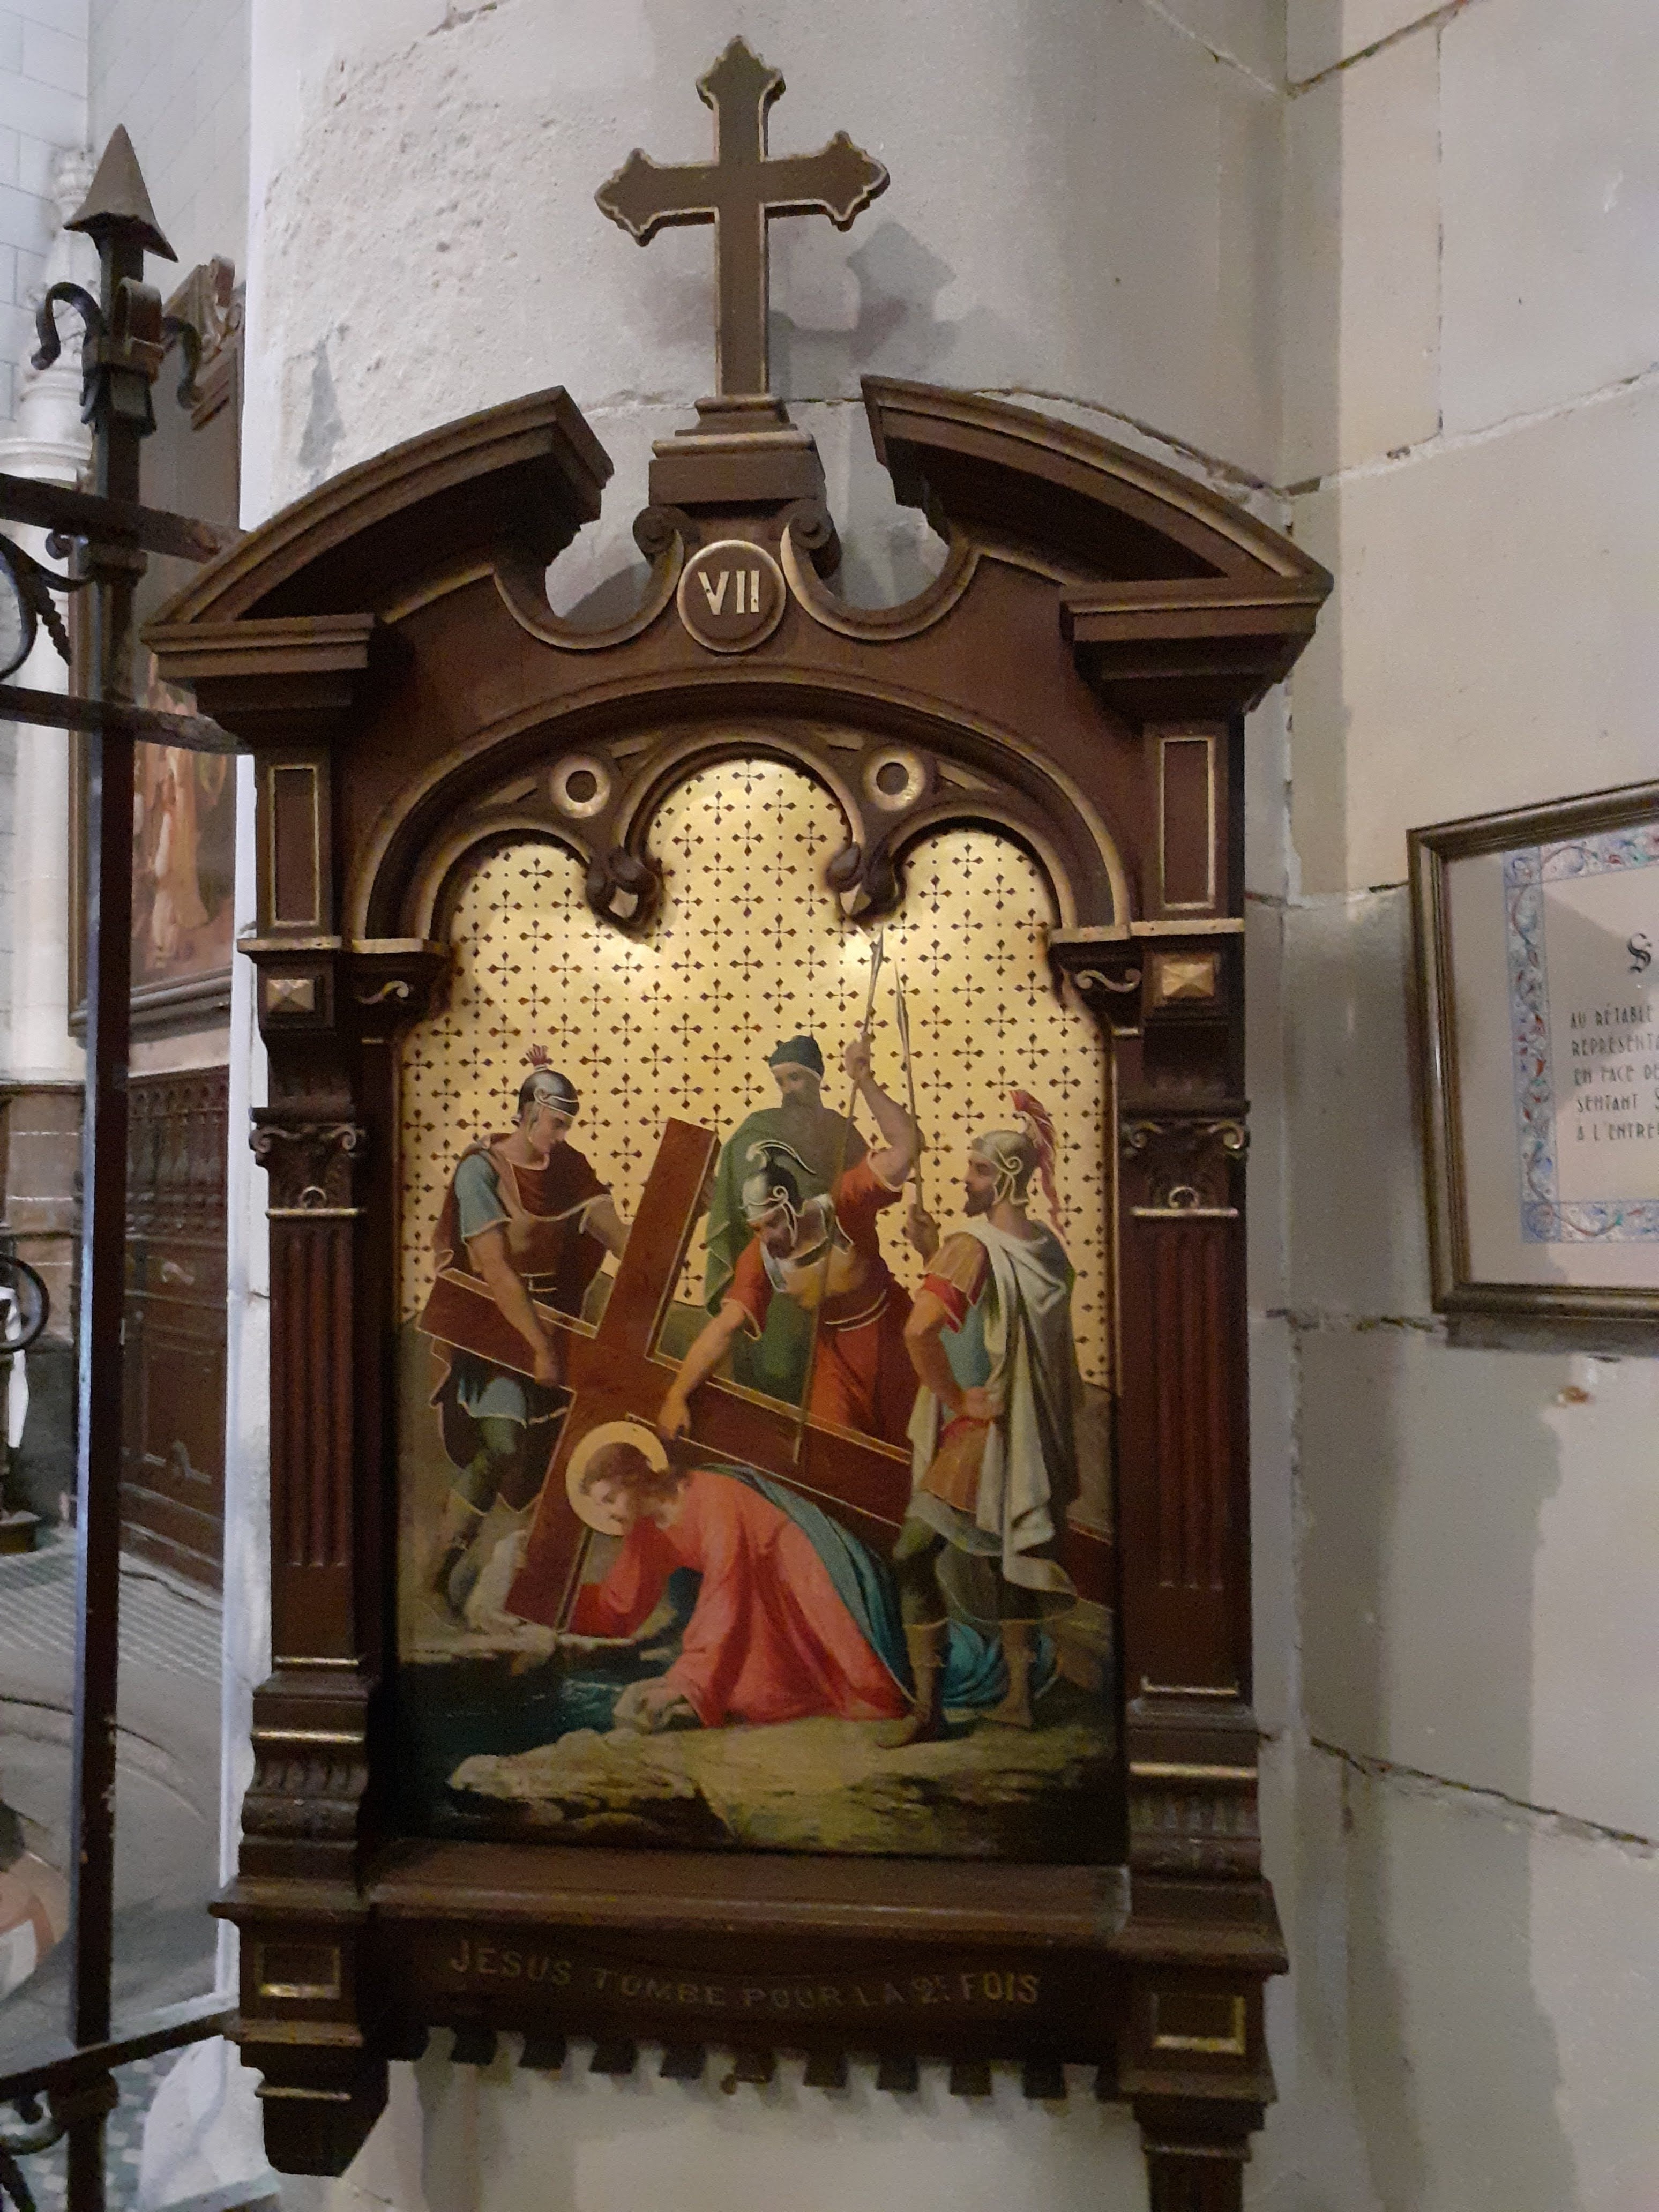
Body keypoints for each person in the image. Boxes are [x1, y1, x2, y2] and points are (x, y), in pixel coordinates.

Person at [890, 1094, 1083, 1742]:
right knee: (1009, 1551)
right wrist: (932, 1253)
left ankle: (928, 1711)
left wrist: (954, 1399)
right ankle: (1019, 1701)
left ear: (1005, 1177)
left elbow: (920, 1331)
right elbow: (999, 1324)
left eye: (977, 1170)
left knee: (912, 1556)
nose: (966, 1181)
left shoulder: (970, 1247)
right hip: (1031, 1433)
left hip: (983, 1431)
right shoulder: (1048, 1252)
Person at [420, 1052, 628, 1615]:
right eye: (556, 1123)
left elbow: (619, 1238)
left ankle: (533, 1593)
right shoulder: (481, 1171)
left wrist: (669, 1234)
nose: (561, 1136)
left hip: (560, 1324)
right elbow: (494, 1267)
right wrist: (538, 1348)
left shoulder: (568, 1169)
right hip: (500, 1330)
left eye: (567, 1126)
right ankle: (439, 1577)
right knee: (502, 1445)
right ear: (531, 1111)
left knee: (565, 1456)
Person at [658, 1032, 920, 1446]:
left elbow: (906, 1148)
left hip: (892, 1338)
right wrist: (677, 1394)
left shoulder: (844, 1203)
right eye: (756, 1228)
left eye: (770, 1224)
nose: (764, 1237)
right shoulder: (763, 1253)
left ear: (788, 1203)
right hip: (834, 1359)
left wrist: (865, 1081)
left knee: (912, 1450)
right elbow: (725, 1327)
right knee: (829, 1453)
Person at [567, 1431, 909, 1731]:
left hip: (796, 1566)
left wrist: (688, 1679)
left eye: (610, 1499)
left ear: (635, 1481)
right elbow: (622, 1600)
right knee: (755, 1696)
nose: (607, 1513)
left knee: (866, 1682)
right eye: (601, 1505)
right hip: (756, 1586)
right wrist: (574, 1632)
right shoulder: (644, 1528)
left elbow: (724, 1590)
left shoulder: (711, 1495)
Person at [702, 1035, 866, 1402]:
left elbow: (862, 1195)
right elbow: (735, 1194)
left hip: (830, 1267)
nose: (788, 1089)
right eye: (780, 1081)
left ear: (816, 1077)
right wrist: (723, 1203)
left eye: (795, 1078)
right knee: (775, 1370)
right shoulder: (756, 1128)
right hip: (774, 1270)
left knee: (832, 1379)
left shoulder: (842, 1132)